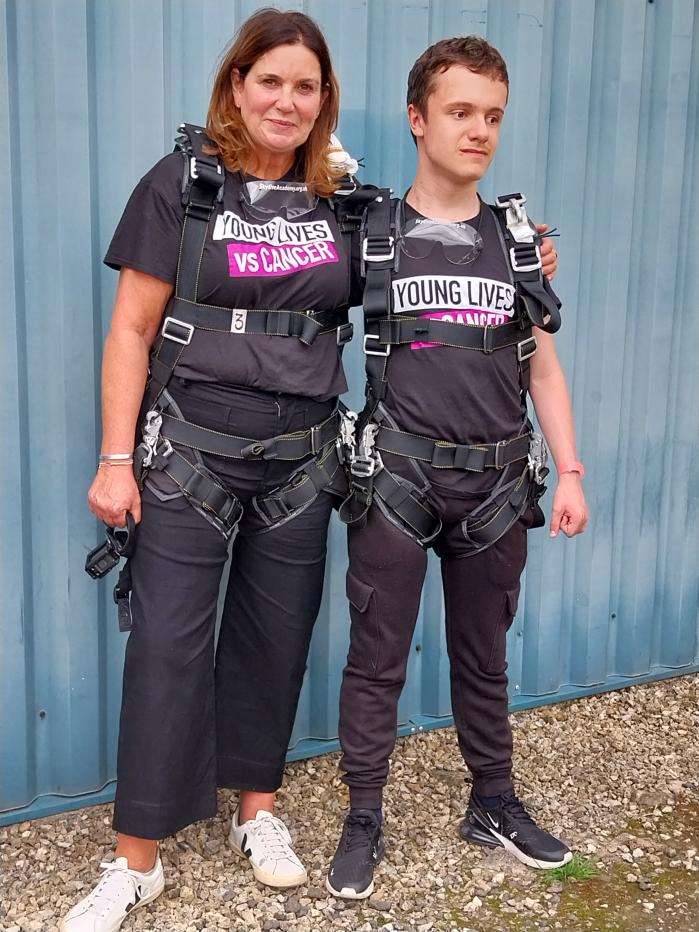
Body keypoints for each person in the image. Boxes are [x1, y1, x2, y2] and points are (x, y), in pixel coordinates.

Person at [62, 9, 369, 931]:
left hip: (303, 457)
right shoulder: (184, 189)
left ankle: (257, 812)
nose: (286, 100)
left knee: (276, 642)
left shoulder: (343, 203)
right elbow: (130, 329)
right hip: (191, 445)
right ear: (237, 85)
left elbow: (427, 268)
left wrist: (525, 259)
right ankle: (136, 860)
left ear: (324, 102)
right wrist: (116, 459)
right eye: (269, 80)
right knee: (166, 647)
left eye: (304, 85)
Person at [326, 36, 588, 900]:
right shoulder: (371, 231)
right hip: (397, 481)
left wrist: (573, 471)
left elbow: (540, 365)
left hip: (496, 485)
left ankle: (493, 802)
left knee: (484, 658)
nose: (478, 130)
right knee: (376, 660)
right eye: (459, 111)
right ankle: (363, 815)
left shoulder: (516, 245)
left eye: (491, 116)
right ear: (417, 119)